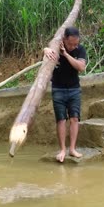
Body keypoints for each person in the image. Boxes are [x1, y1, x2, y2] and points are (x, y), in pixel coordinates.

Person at [44, 26, 87, 162]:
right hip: (58, 89)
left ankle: (72, 149)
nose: (74, 46)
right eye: (70, 44)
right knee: (61, 120)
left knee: (74, 118)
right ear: (64, 39)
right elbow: (45, 55)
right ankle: (63, 149)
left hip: (74, 89)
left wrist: (67, 54)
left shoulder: (80, 50)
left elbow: (81, 67)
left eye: (76, 43)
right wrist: (44, 50)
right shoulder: (55, 49)